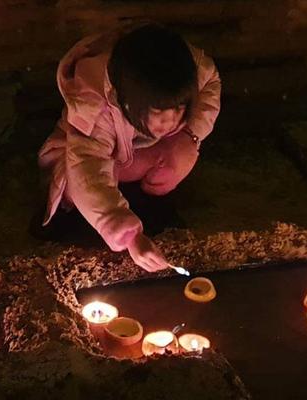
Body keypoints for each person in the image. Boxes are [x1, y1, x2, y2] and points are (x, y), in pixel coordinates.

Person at [37, 22, 221, 272]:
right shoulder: (96, 104)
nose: (169, 122)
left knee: (176, 158)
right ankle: (107, 216)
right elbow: (87, 168)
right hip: (79, 158)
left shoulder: (185, 70)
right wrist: (130, 237)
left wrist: (190, 135)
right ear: (127, 101)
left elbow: (210, 82)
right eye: (158, 111)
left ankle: (148, 201)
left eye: (178, 108)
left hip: (132, 154)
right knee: (80, 187)